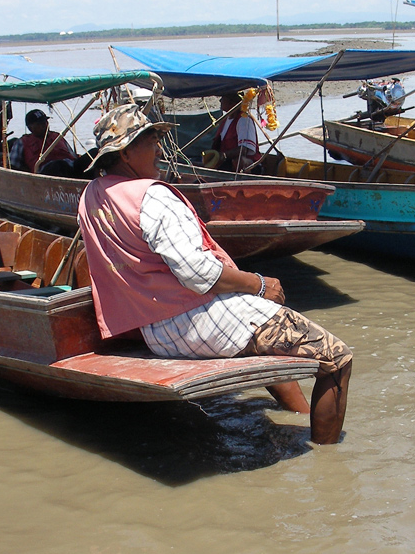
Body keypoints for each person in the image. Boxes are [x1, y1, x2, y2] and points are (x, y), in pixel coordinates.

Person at [77, 104, 352, 444]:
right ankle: (327, 461)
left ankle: (299, 414)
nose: (159, 149)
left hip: (156, 330)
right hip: (196, 321)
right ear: (128, 152)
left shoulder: (91, 195)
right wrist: (259, 283)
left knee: (267, 333)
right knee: (337, 358)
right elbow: (199, 274)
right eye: (152, 141)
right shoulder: (152, 197)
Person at [10, 108, 77, 175]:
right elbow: (13, 166)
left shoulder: (57, 136)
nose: (44, 126)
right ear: (30, 128)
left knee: (86, 159)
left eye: (45, 122)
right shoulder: (22, 142)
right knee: (58, 164)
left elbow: (73, 156)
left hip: (71, 167)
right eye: (39, 124)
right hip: (47, 171)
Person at [210, 91, 261, 172]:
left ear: (231, 102)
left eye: (223, 98)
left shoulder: (243, 120)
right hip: (227, 163)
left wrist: (223, 155)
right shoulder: (225, 120)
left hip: (247, 167)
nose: (220, 101)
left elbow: (244, 149)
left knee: (239, 160)